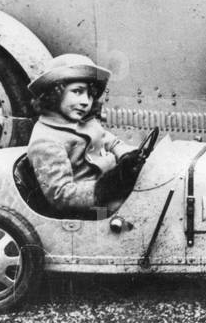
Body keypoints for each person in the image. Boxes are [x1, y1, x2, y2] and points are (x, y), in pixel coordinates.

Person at [26, 54, 145, 214]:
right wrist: (111, 184)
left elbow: (113, 143)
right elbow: (61, 196)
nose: (86, 101)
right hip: (89, 209)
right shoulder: (46, 140)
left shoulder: (85, 122)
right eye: (77, 91)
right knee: (139, 213)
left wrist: (128, 157)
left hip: (110, 192)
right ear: (55, 93)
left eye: (89, 94)